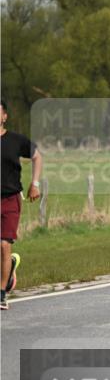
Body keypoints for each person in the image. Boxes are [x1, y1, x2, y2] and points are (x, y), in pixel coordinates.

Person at [1, 99, 42, 310]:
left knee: (4, 245)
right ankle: (9, 270)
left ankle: (1, 295)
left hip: (10, 199)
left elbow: (37, 156)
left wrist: (35, 184)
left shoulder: (16, 140)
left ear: (5, 116)